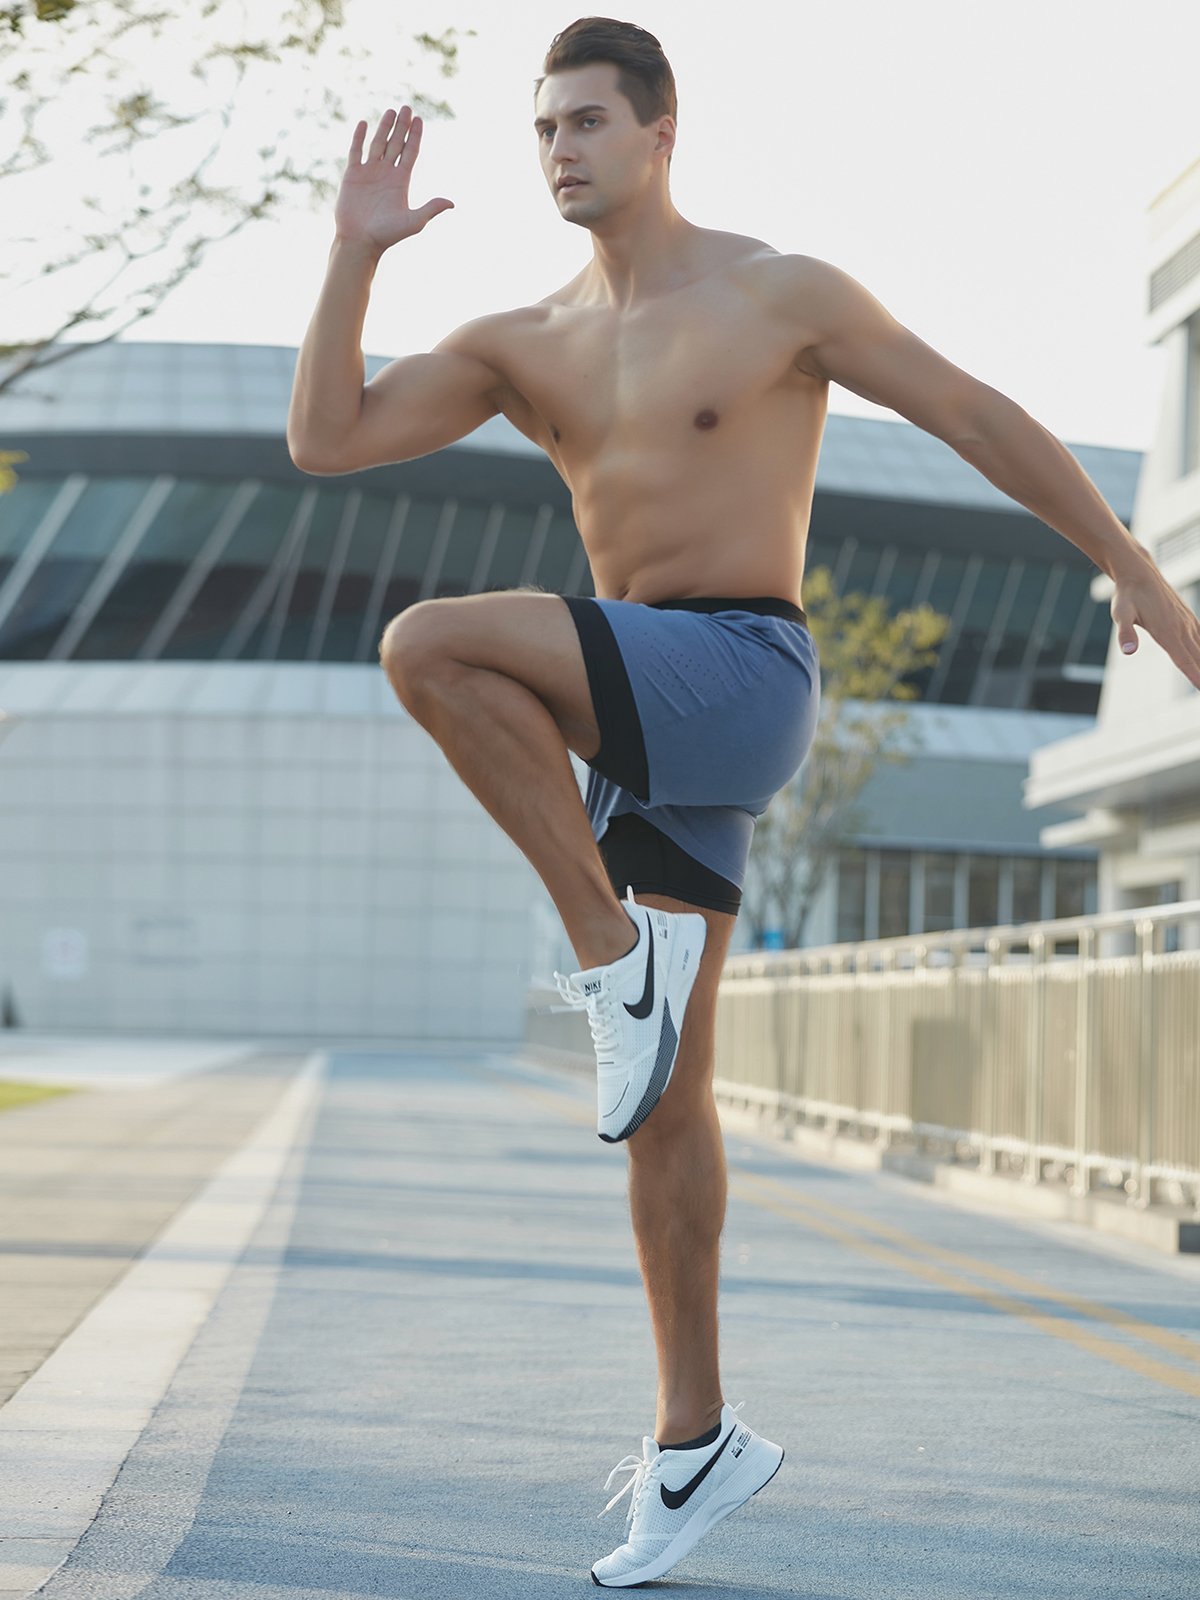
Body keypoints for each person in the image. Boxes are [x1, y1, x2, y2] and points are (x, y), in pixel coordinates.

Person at [287, 17, 1200, 1587]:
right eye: (542, 130)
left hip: (744, 673)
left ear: (660, 133)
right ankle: (695, 1444)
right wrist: (353, 256)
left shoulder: (779, 293)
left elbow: (970, 409)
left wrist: (1127, 560)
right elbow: (327, 439)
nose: (560, 149)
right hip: (644, 727)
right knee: (663, 1111)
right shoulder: (523, 343)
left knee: (429, 643)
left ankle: (605, 953)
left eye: (586, 121)